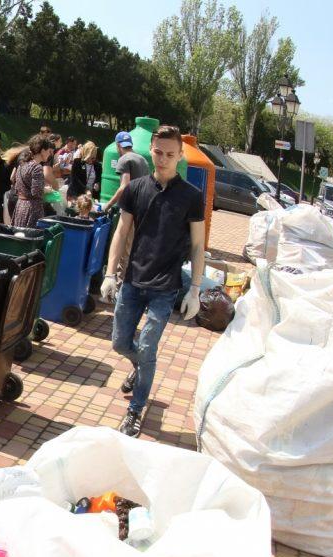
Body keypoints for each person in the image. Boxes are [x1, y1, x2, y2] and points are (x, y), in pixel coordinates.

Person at [100, 125, 205, 438]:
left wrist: (195, 289)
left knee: (147, 347)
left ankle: (135, 409)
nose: (163, 159)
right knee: (120, 343)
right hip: (133, 280)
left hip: (166, 286)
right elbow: (121, 231)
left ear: (180, 155)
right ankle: (141, 367)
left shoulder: (191, 196)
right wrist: (110, 273)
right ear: (151, 150)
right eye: (159, 152)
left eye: (170, 154)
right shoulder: (135, 189)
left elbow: (198, 245)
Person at [11, 135, 54, 229]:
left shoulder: (22, 165)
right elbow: (36, 192)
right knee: (29, 236)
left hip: (20, 206)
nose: (49, 154)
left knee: (19, 234)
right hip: (32, 209)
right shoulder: (37, 168)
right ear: (42, 151)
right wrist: (47, 190)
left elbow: (16, 186)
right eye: (48, 151)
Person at [102, 131, 150, 212]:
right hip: (143, 205)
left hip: (129, 207)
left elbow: (124, 186)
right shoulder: (143, 160)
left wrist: (108, 205)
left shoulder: (124, 159)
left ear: (118, 145)